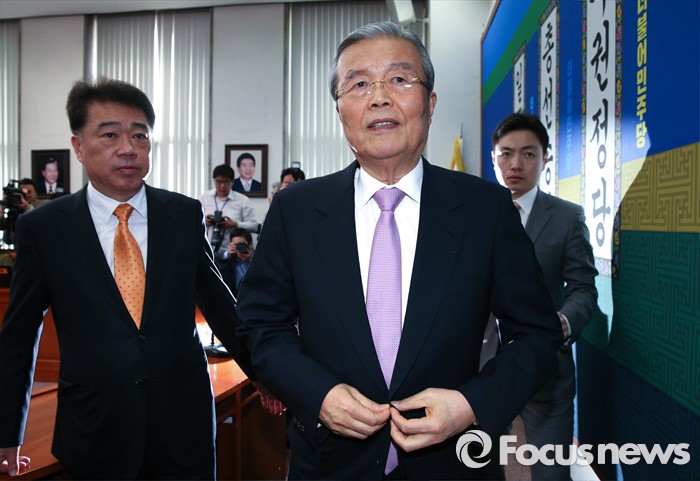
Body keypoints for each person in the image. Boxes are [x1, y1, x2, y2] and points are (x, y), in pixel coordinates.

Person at [236, 21, 563, 480]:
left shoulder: (485, 209)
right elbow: (261, 325)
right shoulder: (296, 210)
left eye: (399, 79)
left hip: (450, 464)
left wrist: (470, 404)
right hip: (328, 463)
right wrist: (317, 394)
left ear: (430, 103)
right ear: (340, 110)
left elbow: (537, 333)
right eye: (359, 84)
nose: (379, 97)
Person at [0, 78, 258, 479]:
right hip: (96, 429)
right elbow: (19, 336)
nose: (128, 148)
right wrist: (6, 432)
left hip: (183, 425)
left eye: (140, 135)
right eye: (110, 135)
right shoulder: (44, 228)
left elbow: (221, 306)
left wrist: (266, 376)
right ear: (78, 146)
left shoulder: (181, 214)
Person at [483, 112, 598, 481]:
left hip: (547, 371)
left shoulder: (566, 217)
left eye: (529, 154)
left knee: (550, 473)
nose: (516, 164)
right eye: (506, 153)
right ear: (493, 158)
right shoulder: (473, 214)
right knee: (480, 468)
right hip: (481, 369)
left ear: (545, 158)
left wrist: (564, 322)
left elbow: (582, 287)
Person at [199, 164, 258, 287]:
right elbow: (194, 222)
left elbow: (254, 226)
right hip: (207, 252)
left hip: (232, 256)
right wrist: (204, 220)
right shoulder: (204, 198)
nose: (222, 186)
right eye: (218, 181)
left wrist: (235, 224)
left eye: (225, 182)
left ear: (232, 182)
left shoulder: (242, 201)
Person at [223, 227, 254, 294]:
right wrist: (228, 256)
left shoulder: (257, 260)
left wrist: (251, 259)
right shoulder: (228, 260)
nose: (240, 247)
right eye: (236, 245)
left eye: (242, 244)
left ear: (250, 245)